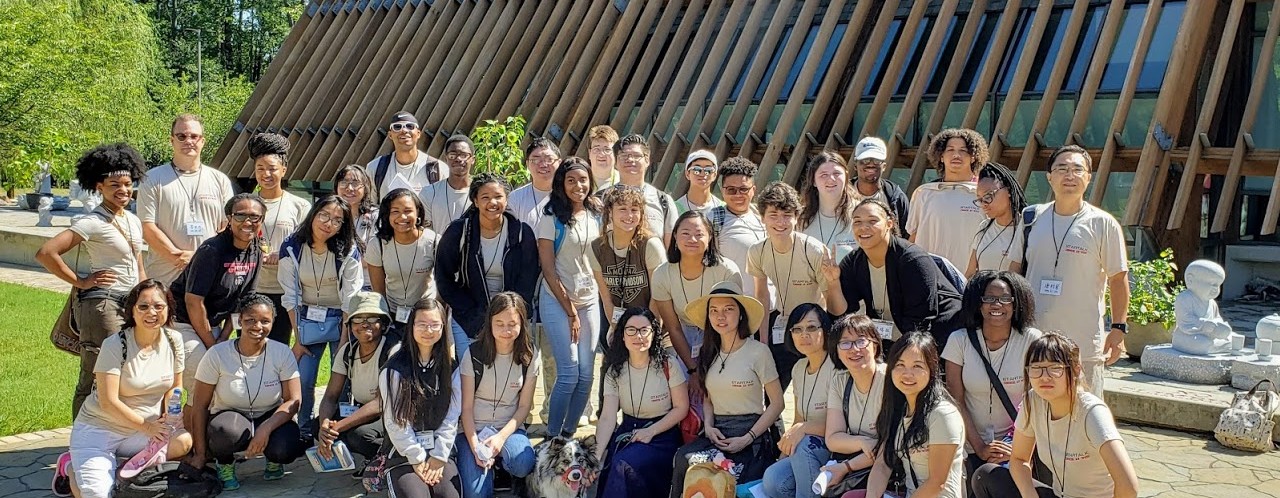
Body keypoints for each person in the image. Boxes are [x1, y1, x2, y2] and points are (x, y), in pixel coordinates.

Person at [37, 143, 148, 417]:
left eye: (127, 183)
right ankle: (79, 444)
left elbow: (138, 263)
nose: (123, 190)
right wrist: (82, 281)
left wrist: (146, 296)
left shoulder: (132, 220)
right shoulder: (92, 221)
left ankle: (112, 436)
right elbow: (46, 252)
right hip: (103, 306)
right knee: (96, 374)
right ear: (99, 186)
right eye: (114, 185)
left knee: (125, 375)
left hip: (130, 304)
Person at [970, 333, 1139, 498]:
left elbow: (1128, 486)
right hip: (1059, 494)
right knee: (986, 476)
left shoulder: (1092, 412)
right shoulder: (1034, 400)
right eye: (1036, 369)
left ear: (1075, 370)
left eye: (1055, 369)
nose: (1044, 377)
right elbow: (1019, 459)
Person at [1022, 145, 1130, 397]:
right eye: (1061, 168)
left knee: (1086, 409)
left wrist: (1118, 328)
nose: (1069, 175)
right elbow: (1016, 271)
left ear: (1088, 177)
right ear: (1049, 176)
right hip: (1034, 336)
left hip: (1082, 339)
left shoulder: (1102, 223)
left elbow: (1118, 278)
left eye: (1077, 169)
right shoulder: (1031, 219)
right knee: (1035, 410)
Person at [68, 280, 190, 498]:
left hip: (142, 432)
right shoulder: (115, 345)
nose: (151, 312)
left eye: (158, 306)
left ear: (168, 309)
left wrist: (170, 415)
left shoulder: (174, 340)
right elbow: (108, 402)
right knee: (98, 494)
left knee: (183, 441)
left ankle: (117, 468)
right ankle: (71, 469)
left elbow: (175, 386)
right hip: (100, 431)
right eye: (143, 306)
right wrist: (148, 428)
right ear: (131, 311)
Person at [669, 281, 783, 497]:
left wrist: (748, 437)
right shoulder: (707, 353)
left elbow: (777, 404)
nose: (720, 316)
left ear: (741, 314)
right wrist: (709, 427)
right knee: (684, 459)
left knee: (732, 477)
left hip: (751, 433)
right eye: (714, 311)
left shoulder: (758, 352)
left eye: (728, 309)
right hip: (717, 432)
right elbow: (708, 399)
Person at [188, 293, 305, 491]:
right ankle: (224, 464)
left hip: (269, 415)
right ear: (239, 320)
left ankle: (274, 460)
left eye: (264, 321)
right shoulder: (217, 354)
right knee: (224, 433)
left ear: (273, 322)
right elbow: (199, 406)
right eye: (250, 320)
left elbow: (294, 401)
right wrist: (200, 453)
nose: (257, 327)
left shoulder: (282, 352)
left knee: (287, 445)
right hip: (231, 416)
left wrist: (265, 428)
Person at [277, 196, 364, 436]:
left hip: (341, 319)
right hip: (307, 319)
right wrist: (298, 337)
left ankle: (338, 429)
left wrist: (345, 343)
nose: (329, 223)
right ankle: (305, 430)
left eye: (338, 220)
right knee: (304, 378)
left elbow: (351, 299)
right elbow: (290, 295)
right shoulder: (292, 247)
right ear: (314, 213)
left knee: (343, 378)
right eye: (325, 215)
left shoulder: (349, 250)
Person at [942, 271, 1043, 478]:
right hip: (969, 445)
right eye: (989, 298)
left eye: (1005, 299)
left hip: (1018, 444)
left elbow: (1038, 399)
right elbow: (955, 400)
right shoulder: (959, 341)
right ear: (978, 303)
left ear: (1017, 303)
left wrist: (1016, 445)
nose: (997, 305)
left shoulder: (1031, 340)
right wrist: (979, 447)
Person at [826, 199, 963, 347]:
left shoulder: (913, 260)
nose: (863, 227)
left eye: (872, 221)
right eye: (857, 222)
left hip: (938, 336)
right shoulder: (853, 261)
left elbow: (921, 322)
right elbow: (840, 315)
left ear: (889, 224)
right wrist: (833, 283)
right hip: (890, 337)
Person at [436, 173, 540, 359]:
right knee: (469, 373)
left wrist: (510, 313)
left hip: (511, 316)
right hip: (469, 314)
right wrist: (469, 311)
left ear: (507, 199)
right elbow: (444, 278)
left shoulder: (522, 233)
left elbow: (528, 281)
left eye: (498, 196)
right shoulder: (459, 232)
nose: (492, 202)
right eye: (485, 197)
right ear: (475, 201)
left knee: (510, 372)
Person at [170, 193, 264, 397]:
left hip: (213, 325)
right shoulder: (212, 250)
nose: (248, 222)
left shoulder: (256, 250)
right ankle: (192, 428)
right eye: (240, 216)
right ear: (229, 219)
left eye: (254, 217)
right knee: (201, 381)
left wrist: (223, 337)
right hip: (183, 323)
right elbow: (193, 301)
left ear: (262, 220)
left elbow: (244, 302)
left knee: (224, 381)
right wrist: (213, 346)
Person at [590, 308, 690, 498]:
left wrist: (650, 431)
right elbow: (607, 418)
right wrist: (595, 456)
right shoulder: (614, 371)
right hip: (628, 431)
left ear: (653, 334)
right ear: (622, 335)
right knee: (610, 466)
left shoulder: (668, 364)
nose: (639, 336)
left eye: (644, 330)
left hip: (662, 433)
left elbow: (681, 408)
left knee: (623, 465)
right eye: (631, 330)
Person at [536, 157, 604, 438]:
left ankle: (568, 433)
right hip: (556, 299)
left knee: (587, 374)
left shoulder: (596, 213)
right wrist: (570, 312)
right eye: (571, 180)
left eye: (583, 179)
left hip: (589, 299)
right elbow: (549, 270)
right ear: (561, 184)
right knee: (569, 373)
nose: (578, 186)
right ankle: (553, 436)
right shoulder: (550, 217)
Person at [749, 182, 835, 390]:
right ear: (762, 218)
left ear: (797, 217)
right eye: (773, 215)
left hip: (814, 327)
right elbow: (761, 295)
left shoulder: (814, 250)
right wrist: (762, 341)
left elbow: (829, 299)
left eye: (787, 215)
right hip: (782, 323)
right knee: (773, 389)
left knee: (814, 388)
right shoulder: (757, 251)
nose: (780, 222)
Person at [861, 332, 966, 498]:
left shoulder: (942, 414)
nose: (907, 374)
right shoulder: (899, 411)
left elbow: (937, 482)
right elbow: (882, 463)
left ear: (931, 370)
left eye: (917, 366)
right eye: (900, 365)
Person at [379, 298, 463, 498]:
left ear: (443, 327)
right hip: (404, 452)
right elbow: (395, 422)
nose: (429, 330)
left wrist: (440, 456)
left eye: (435, 324)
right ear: (411, 326)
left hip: (438, 449)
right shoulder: (394, 369)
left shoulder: (451, 368)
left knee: (448, 495)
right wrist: (417, 458)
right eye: (422, 324)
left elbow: (452, 416)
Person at [139, 114, 236, 285]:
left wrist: (201, 257)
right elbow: (147, 227)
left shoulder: (219, 180)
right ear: (172, 140)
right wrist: (177, 256)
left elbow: (227, 226)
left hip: (209, 273)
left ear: (202, 141)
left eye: (194, 136)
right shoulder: (152, 178)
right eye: (181, 136)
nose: (188, 141)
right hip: (165, 277)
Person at [458, 293, 540, 498]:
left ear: (522, 323)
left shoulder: (530, 356)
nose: (506, 330)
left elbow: (524, 407)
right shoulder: (473, 353)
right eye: (499, 323)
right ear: (490, 322)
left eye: (512, 323)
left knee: (523, 463)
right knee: (477, 494)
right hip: (472, 429)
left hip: (508, 427)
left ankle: (501, 465)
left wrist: (501, 438)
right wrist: (476, 446)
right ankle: (481, 466)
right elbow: (465, 408)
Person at [651, 211, 744, 380]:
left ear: (709, 238)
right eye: (685, 233)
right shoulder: (662, 274)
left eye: (699, 234)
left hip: (722, 334)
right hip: (684, 337)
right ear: (675, 236)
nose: (692, 239)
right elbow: (674, 328)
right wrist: (693, 370)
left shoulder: (727, 271)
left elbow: (734, 322)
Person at [314, 291, 399, 463]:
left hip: (392, 413)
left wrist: (337, 427)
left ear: (383, 324)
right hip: (361, 409)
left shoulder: (393, 350)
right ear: (350, 325)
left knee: (359, 436)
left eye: (372, 319)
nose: (364, 324)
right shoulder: (347, 351)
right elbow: (331, 396)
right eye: (358, 319)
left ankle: (392, 459)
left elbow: (380, 403)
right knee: (317, 425)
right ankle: (373, 457)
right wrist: (325, 426)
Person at [762, 304, 837, 498]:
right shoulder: (799, 368)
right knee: (773, 479)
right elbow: (798, 419)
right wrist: (784, 453)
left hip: (834, 446)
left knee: (803, 446)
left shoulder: (837, 367)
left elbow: (842, 425)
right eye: (797, 329)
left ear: (825, 330)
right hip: (807, 447)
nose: (804, 334)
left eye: (812, 327)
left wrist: (803, 429)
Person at [247, 133, 312, 344]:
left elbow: (307, 245)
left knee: (278, 345)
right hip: (251, 286)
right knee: (248, 343)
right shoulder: (245, 204)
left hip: (284, 290)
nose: (266, 174)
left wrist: (281, 254)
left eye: (272, 169)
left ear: (283, 170)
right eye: (260, 169)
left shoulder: (299, 206)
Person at [818, 315, 887, 496]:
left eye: (861, 341)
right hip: (861, 461)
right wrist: (862, 441)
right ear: (837, 351)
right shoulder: (839, 382)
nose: (854, 349)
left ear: (875, 345)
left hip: (889, 467)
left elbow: (888, 446)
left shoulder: (890, 380)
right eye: (845, 343)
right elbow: (832, 439)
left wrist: (846, 467)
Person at [907, 128, 988, 270]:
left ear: (973, 157)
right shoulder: (923, 193)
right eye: (950, 150)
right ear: (941, 157)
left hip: (969, 280)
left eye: (963, 150)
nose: (956, 155)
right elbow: (913, 238)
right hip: (929, 277)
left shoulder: (985, 195)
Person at [590, 186, 666, 329]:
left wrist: (648, 329)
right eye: (622, 209)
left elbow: (658, 296)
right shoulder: (596, 248)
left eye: (634, 210)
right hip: (619, 323)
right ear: (610, 212)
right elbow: (606, 299)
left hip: (653, 322)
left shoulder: (651, 245)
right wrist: (618, 330)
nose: (629, 215)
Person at [366, 189, 439, 331]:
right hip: (393, 313)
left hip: (425, 315)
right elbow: (379, 291)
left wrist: (435, 311)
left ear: (418, 212)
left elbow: (443, 283)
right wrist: (386, 319)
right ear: (387, 215)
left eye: (408, 211)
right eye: (395, 211)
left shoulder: (434, 242)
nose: (402, 217)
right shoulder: (378, 244)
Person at [706, 156, 768, 299]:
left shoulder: (764, 216)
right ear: (722, 191)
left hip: (769, 304)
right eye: (731, 190)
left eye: (743, 189)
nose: (738, 195)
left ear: (753, 190)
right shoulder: (712, 219)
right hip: (734, 304)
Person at [601, 134, 679, 245]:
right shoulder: (602, 198)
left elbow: (671, 245)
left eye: (636, 156)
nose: (630, 159)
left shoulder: (663, 200)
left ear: (647, 160)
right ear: (616, 162)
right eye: (624, 155)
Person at [366, 111, 445, 201]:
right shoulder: (375, 168)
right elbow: (370, 207)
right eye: (397, 127)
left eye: (410, 126)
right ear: (390, 135)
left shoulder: (438, 169)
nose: (404, 130)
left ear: (418, 133)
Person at [964, 163, 1026, 277]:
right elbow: (970, 273)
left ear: (1008, 190)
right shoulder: (984, 226)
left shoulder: (1027, 228)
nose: (984, 204)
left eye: (988, 197)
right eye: (980, 200)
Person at [798, 151, 858, 261]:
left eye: (836, 173)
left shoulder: (861, 214)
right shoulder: (800, 219)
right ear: (813, 181)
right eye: (823, 175)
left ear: (846, 177)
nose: (831, 179)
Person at [849, 137, 910, 226]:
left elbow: (905, 234)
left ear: (884, 166)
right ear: (855, 165)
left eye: (877, 161)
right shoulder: (842, 194)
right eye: (865, 160)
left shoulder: (896, 197)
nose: (870, 164)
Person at [421, 134, 475, 233]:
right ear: (446, 158)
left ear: (472, 160)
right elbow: (425, 233)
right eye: (452, 155)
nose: (458, 159)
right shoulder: (429, 193)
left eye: (464, 155)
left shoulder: (481, 193)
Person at [508, 137, 561, 226]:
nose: (543, 165)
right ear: (528, 164)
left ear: (559, 162)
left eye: (549, 160)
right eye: (536, 160)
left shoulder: (571, 195)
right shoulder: (515, 199)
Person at [675, 150, 724, 214]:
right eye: (696, 170)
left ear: (714, 175)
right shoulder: (675, 209)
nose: (702, 174)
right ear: (687, 174)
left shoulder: (723, 209)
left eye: (708, 170)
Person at [587, 124, 621, 191]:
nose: (601, 154)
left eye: (607, 149)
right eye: (596, 149)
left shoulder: (624, 181)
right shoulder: (581, 180)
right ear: (589, 153)